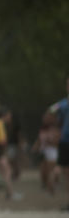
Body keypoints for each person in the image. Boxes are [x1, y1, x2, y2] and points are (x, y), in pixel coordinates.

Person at [48, 75, 69, 210]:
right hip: (65, 140)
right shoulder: (63, 103)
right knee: (63, 169)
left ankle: (52, 179)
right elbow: (51, 111)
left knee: (63, 169)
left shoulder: (63, 103)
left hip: (64, 140)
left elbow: (51, 110)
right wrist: (55, 129)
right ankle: (52, 179)